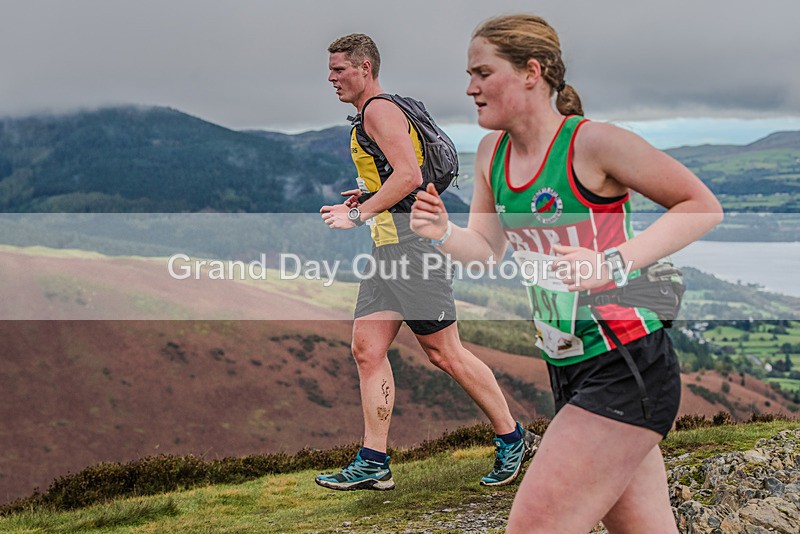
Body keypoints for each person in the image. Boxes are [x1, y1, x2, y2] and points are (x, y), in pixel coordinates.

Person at [410, 14, 722, 533]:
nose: (470, 88)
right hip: (568, 365)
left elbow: (701, 205)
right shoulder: (493, 154)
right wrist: (441, 231)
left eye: (483, 73)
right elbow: (487, 250)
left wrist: (611, 262)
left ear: (531, 71)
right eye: (470, 75)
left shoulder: (592, 143)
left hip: (626, 362)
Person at [316, 33, 538, 491]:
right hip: (388, 253)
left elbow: (411, 175)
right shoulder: (377, 111)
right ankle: (374, 461)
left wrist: (358, 213)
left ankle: (513, 438)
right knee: (367, 349)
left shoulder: (379, 109)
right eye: (330, 69)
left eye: (340, 69)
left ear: (365, 67)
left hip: (412, 250)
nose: (331, 77)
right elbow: (402, 178)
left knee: (445, 353)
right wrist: (372, 196)